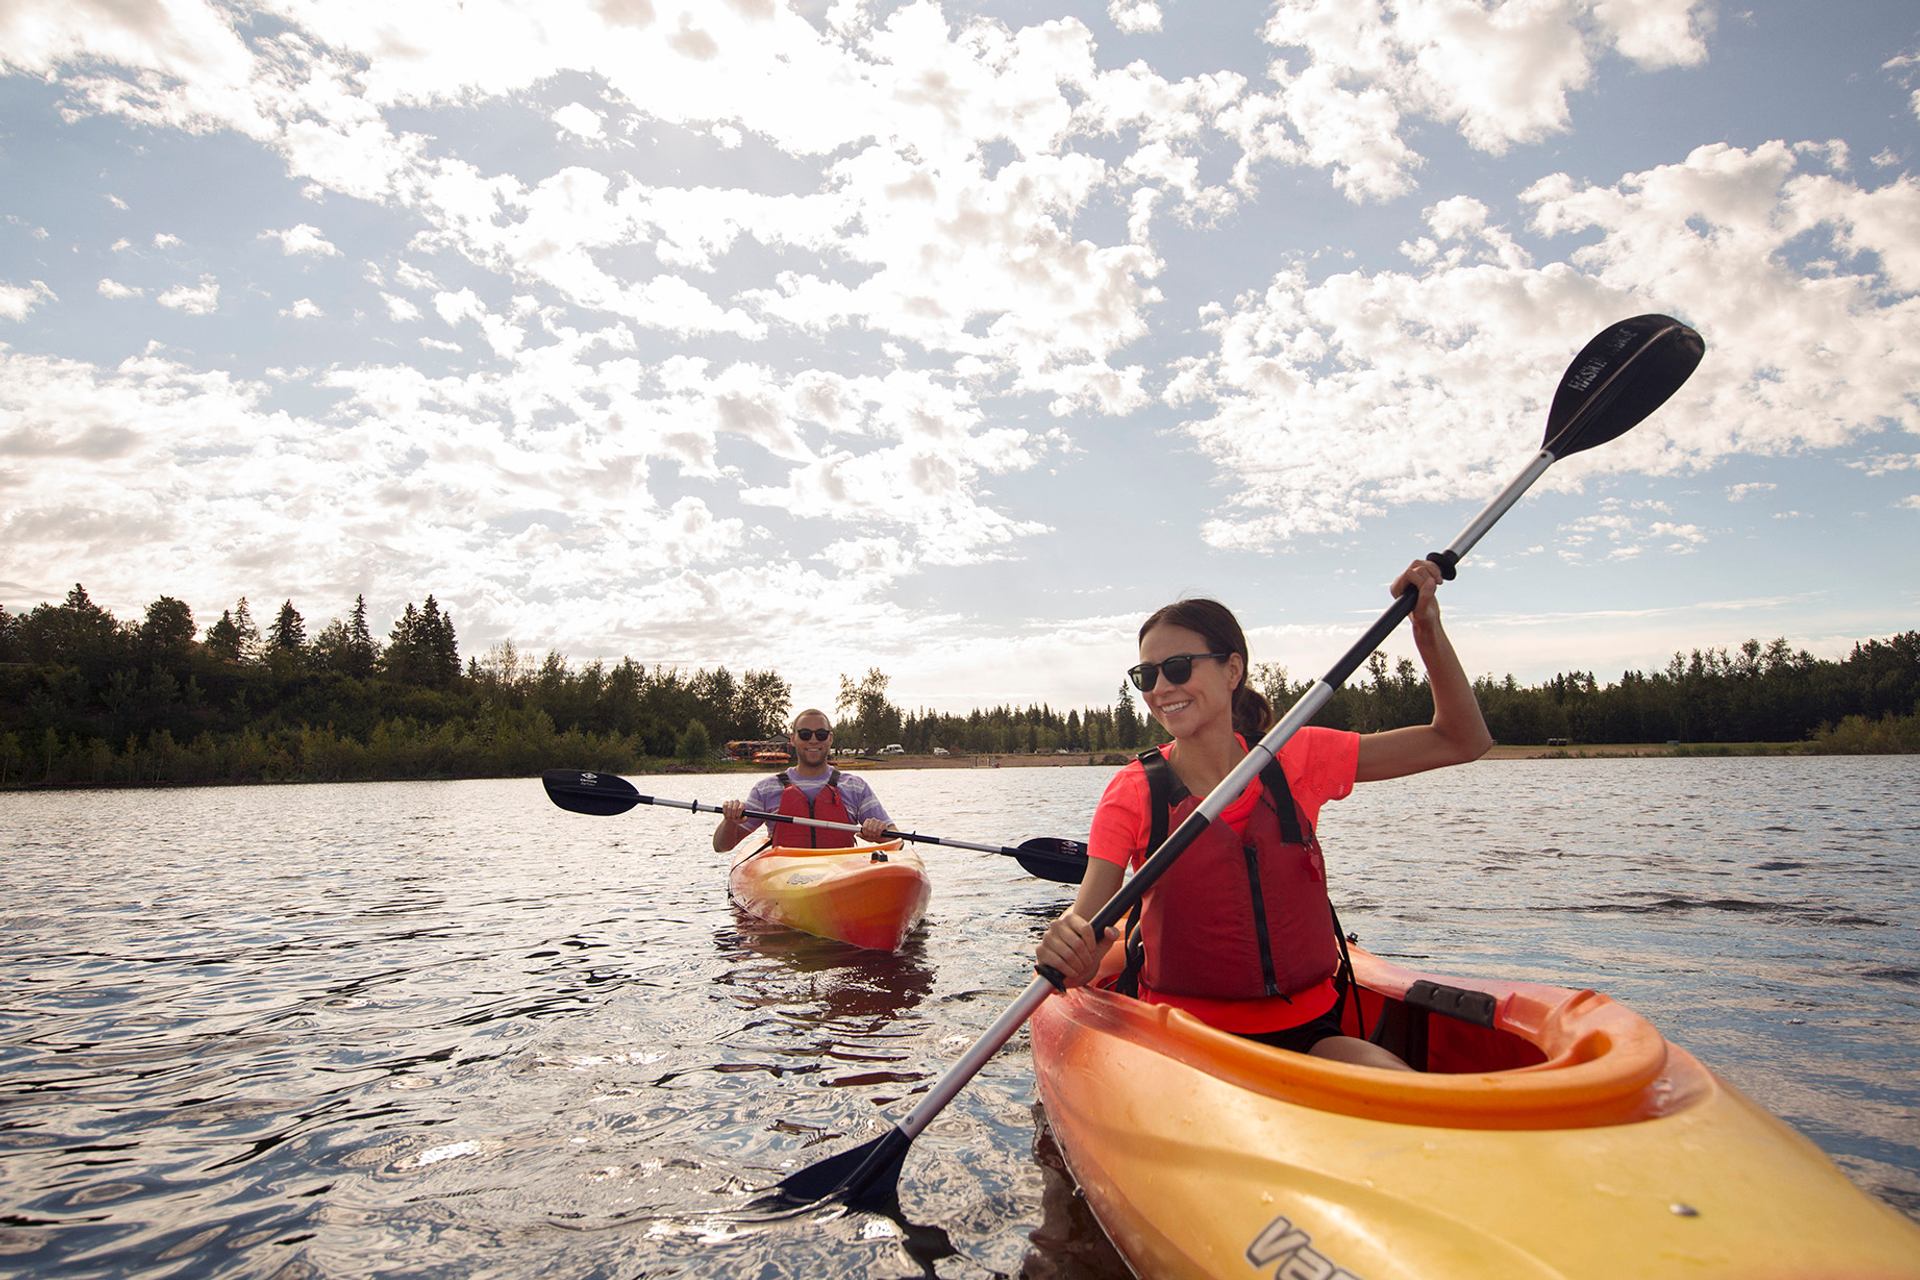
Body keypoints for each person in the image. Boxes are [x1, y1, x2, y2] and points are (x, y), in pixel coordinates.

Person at [1034, 562, 1493, 1069]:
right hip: (1184, 1042)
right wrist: (1069, 946)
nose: (1161, 687)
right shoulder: (1132, 792)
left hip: (1309, 1033)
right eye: (1147, 674)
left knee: (1402, 1086)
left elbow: (1462, 739)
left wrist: (1426, 628)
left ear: (1232, 670)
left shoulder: (1295, 758)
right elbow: (1088, 926)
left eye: (1180, 667)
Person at [711, 708, 893, 851]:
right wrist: (730, 821)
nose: (813, 740)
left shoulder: (855, 787)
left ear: (830, 739)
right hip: (786, 877)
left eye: (820, 734)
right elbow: (722, 846)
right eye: (805, 734)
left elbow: (896, 839)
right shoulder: (766, 789)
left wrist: (879, 834)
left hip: (839, 871)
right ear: (793, 739)